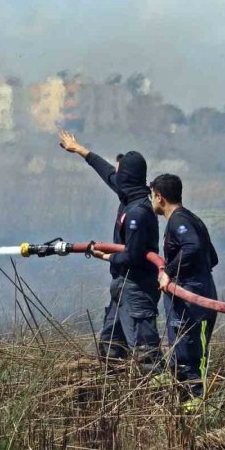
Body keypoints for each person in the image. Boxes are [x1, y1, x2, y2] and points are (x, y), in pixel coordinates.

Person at [58, 131, 162, 372]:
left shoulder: (138, 212)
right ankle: (115, 392)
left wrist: (107, 256)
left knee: (145, 352)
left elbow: (135, 256)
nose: (115, 175)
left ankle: (160, 396)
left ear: (126, 177)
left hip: (137, 288)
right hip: (121, 286)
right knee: (111, 347)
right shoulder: (128, 193)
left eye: (120, 171)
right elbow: (106, 171)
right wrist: (79, 149)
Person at [149, 173, 218, 402]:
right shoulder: (193, 219)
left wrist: (168, 271)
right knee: (186, 356)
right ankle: (186, 407)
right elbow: (212, 257)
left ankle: (196, 408)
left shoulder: (178, 221)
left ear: (159, 197)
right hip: (199, 292)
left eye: (152, 196)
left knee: (189, 357)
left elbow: (193, 247)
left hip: (192, 299)